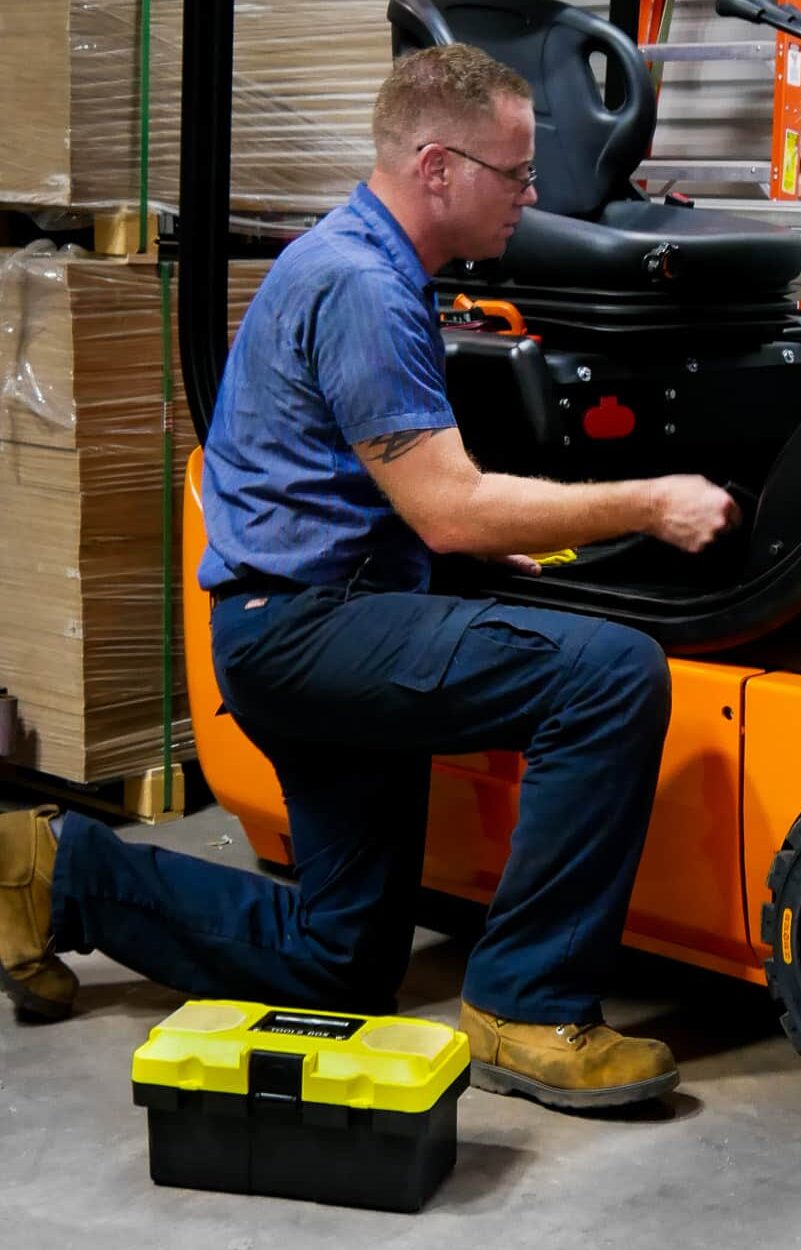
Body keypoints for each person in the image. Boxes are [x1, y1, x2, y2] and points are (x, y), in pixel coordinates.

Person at [0, 44, 739, 1111]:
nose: (529, 201)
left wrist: (473, 535)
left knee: (340, 959)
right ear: (438, 167)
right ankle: (529, 1005)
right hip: (308, 630)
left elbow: (393, 492)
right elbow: (446, 499)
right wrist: (649, 498)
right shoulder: (361, 284)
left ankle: (56, 872)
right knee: (611, 674)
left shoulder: (362, 263)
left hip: (289, 619)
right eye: (516, 174)